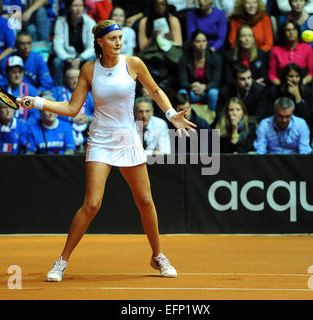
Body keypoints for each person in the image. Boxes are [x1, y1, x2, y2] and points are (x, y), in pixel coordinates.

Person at [16, 19, 196, 281]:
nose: (118, 42)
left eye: (120, 38)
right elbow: (72, 109)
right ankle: (61, 261)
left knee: (145, 201)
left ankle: (158, 256)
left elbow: (155, 90)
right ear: (100, 41)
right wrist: (38, 102)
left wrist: (171, 115)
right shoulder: (90, 69)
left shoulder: (133, 63)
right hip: (100, 139)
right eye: (113, 38)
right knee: (91, 204)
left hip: (127, 138)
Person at [52, 0, 96, 86]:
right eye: (75, 6)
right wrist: (67, 58)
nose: (78, 9)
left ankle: (91, 90)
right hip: (67, 56)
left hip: (84, 56)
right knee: (56, 62)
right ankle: (59, 90)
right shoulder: (60, 22)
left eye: (80, 5)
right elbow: (57, 46)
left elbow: (92, 46)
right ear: (69, 8)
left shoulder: (90, 22)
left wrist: (80, 58)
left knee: (92, 61)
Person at [177, 30, 222, 113]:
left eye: (204, 41)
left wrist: (204, 87)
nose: (201, 44)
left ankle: (211, 117)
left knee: (213, 93)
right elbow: (182, 82)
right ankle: (184, 117)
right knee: (181, 92)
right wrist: (192, 86)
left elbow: (216, 81)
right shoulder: (184, 58)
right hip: (192, 91)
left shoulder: (214, 58)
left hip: (207, 90)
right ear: (192, 43)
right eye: (198, 41)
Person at [51, 68, 94, 150]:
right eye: (71, 78)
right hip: (62, 133)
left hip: (85, 132)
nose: (75, 81)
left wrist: (88, 118)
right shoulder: (57, 91)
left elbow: (98, 112)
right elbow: (50, 111)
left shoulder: (88, 94)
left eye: (78, 77)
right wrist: (70, 118)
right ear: (65, 80)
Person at [268, 19, 313, 86]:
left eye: (294, 29)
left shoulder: (307, 48)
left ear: (298, 32)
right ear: (283, 33)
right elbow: (272, 75)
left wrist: (301, 84)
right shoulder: (275, 50)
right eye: (288, 30)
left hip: (302, 85)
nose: (291, 32)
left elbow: (311, 73)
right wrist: (282, 86)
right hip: (281, 86)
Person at [0, 55, 40, 125]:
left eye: (20, 72)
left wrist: (21, 127)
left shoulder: (32, 91)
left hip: (26, 129)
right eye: (14, 72)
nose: (17, 75)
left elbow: (36, 115)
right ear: (7, 74)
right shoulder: (0, 91)